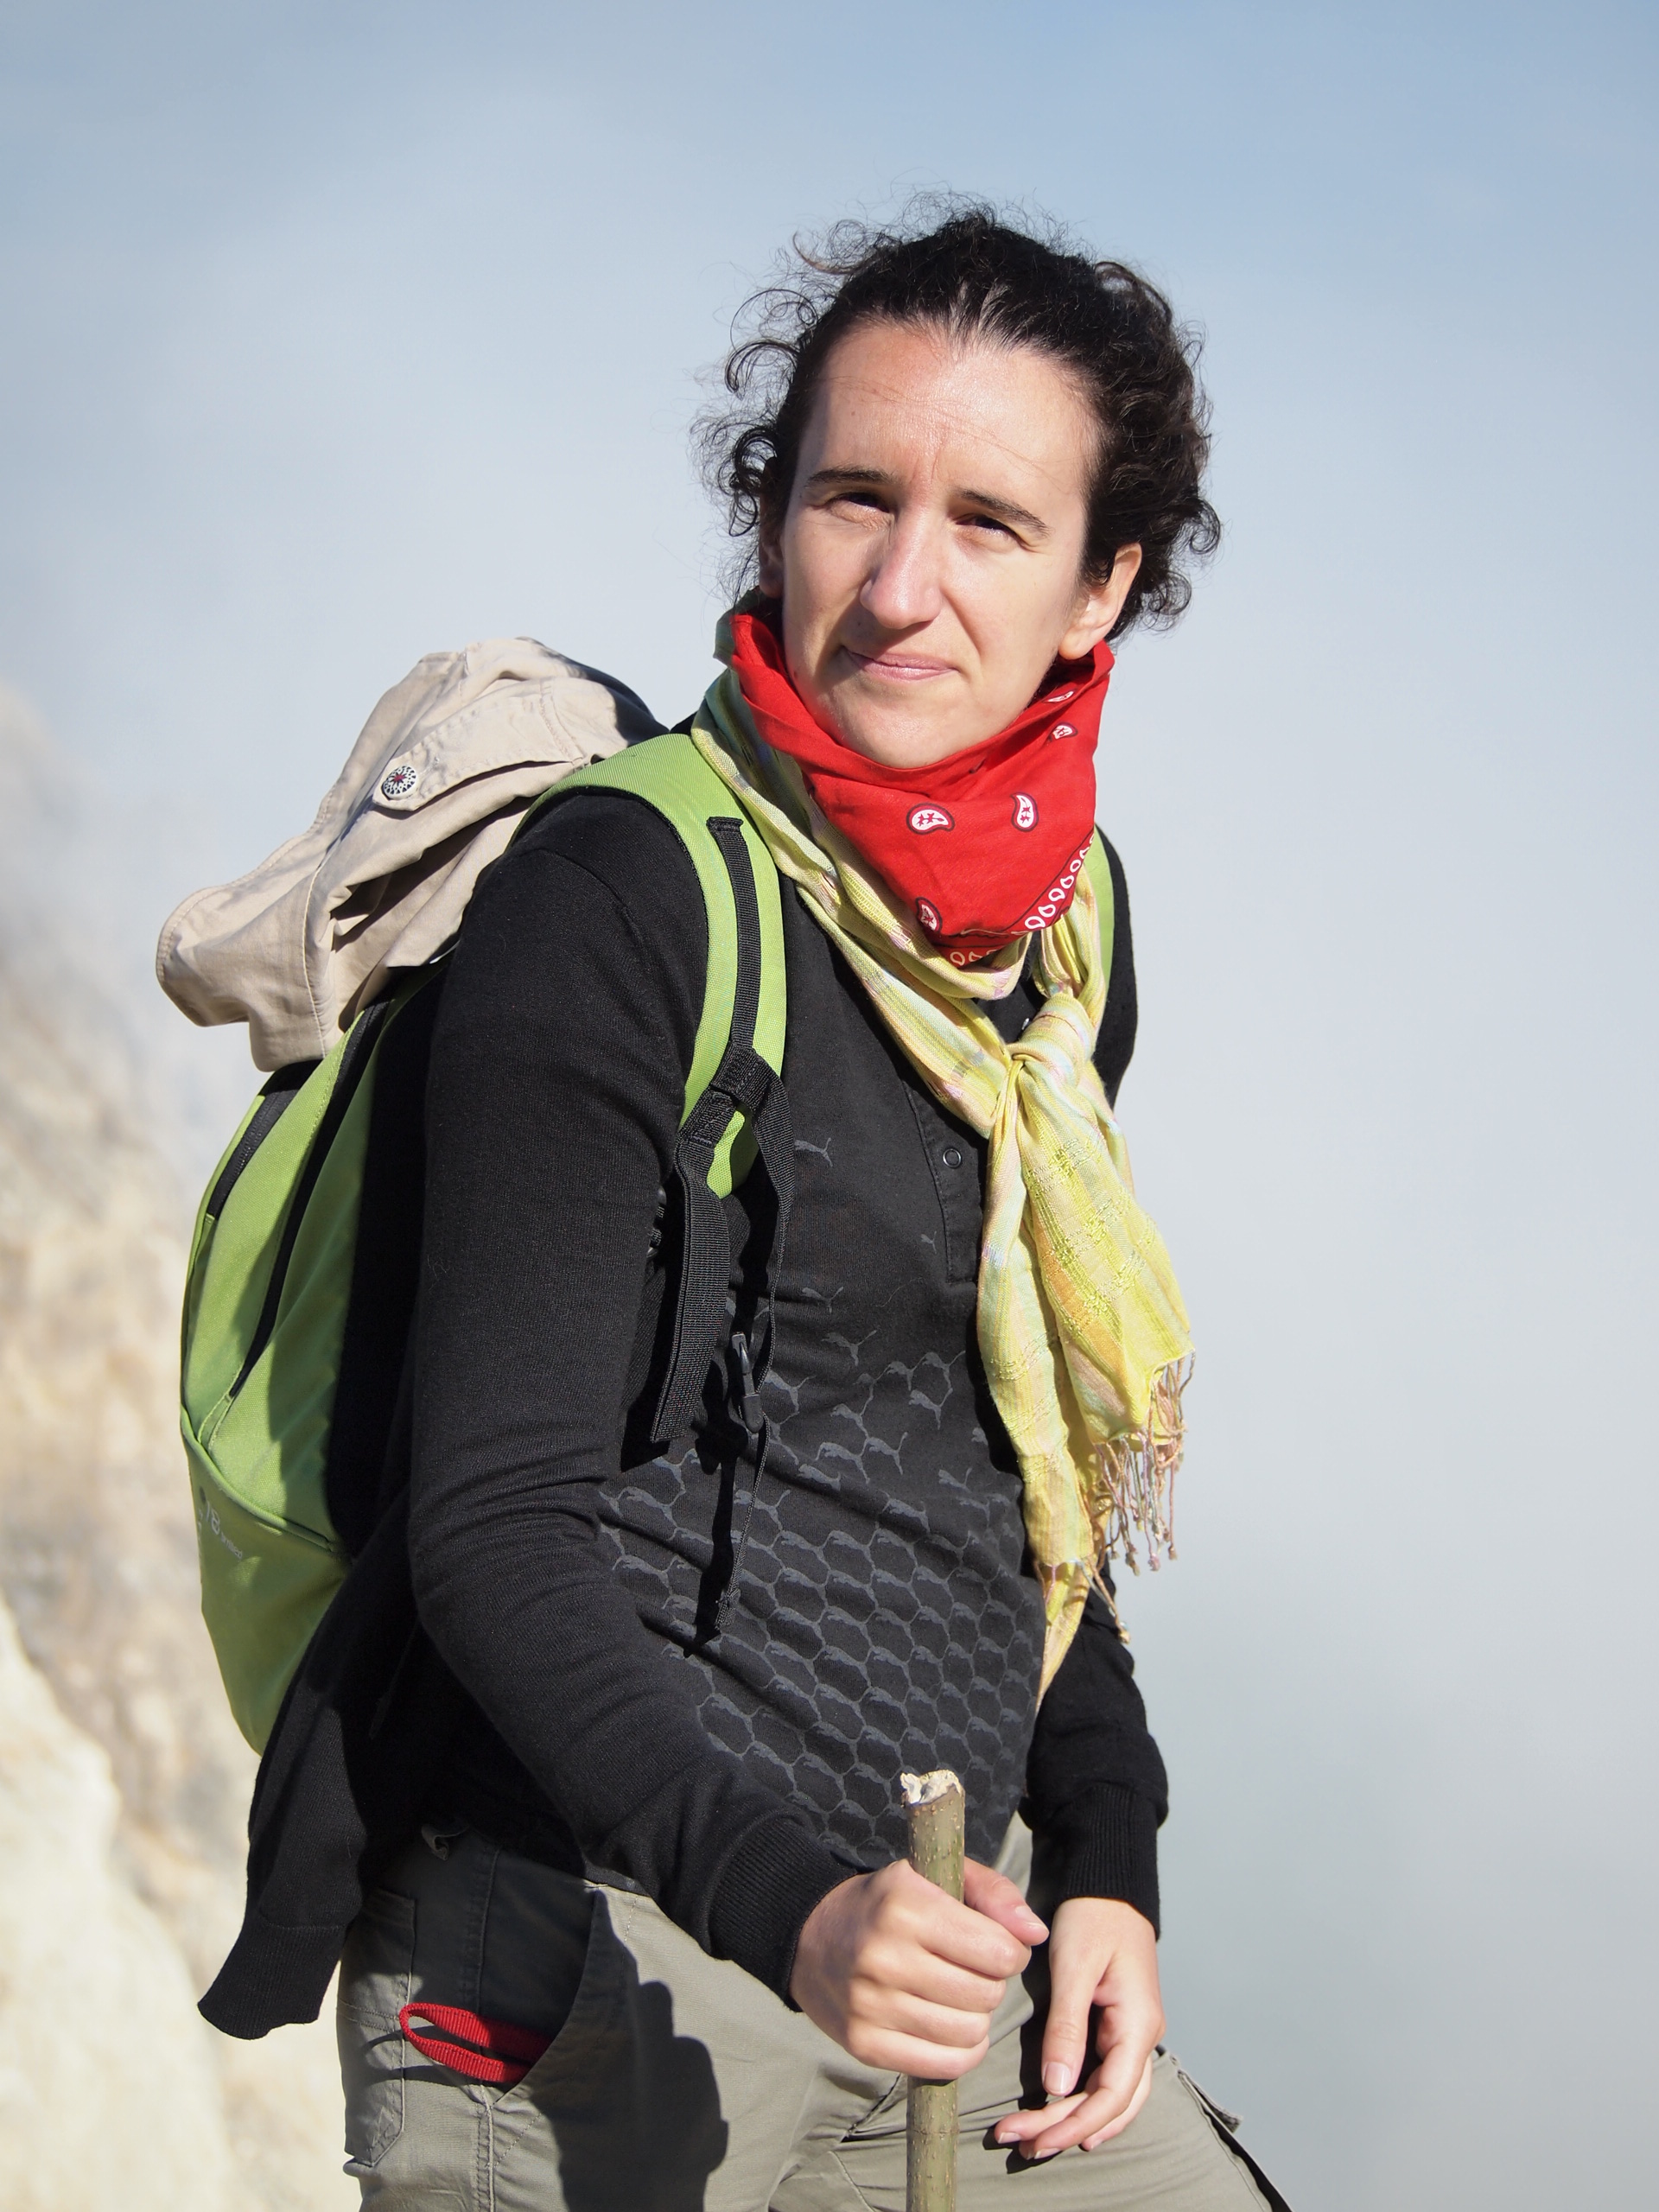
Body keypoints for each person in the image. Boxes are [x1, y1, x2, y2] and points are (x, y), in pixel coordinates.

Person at [336, 207, 1285, 2209]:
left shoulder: (1054, 939)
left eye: (991, 523)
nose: (902, 586)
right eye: (855, 495)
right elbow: (487, 1518)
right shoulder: (618, 900)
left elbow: (1005, 1464)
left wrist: (1107, 1848)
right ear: (774, 514)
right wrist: (793, 1904)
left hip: (940, 1935)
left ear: (1102, 587)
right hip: (594, 1948)